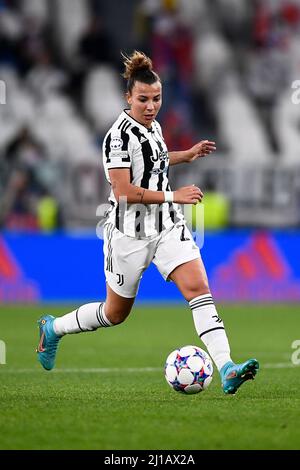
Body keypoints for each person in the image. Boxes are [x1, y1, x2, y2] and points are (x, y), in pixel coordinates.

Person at [36, 51, 259, 394]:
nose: (151, 106)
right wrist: (175, 196)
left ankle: (227, 366)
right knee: (114, 313)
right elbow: (124, 190)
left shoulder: (153, 127)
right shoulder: (117, 138)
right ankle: (54, 329)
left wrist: (187, 154)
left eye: (156, 98)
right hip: (128, 235)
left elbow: (155, 160)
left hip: (167, 226)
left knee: (198, 288)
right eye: (143, 99)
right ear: (128, 97)